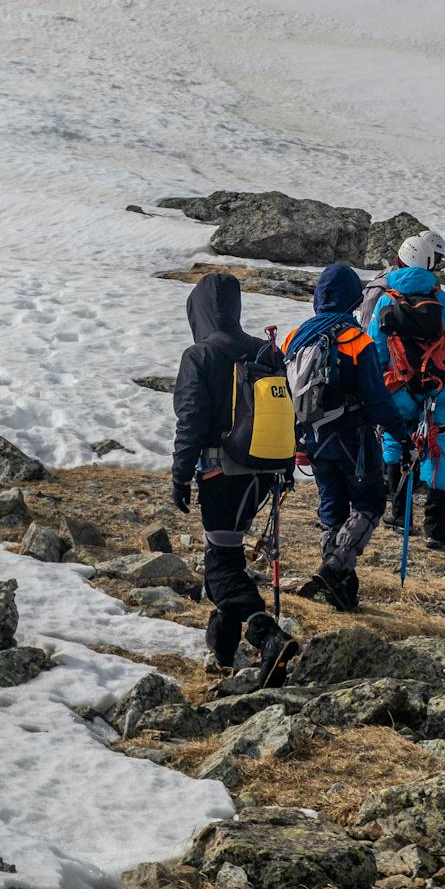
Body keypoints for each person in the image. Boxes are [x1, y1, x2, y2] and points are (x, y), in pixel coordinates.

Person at [170, 273, 299, 680]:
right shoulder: (264, 351)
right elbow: (286, 412)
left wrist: (180, 476)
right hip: (265, 472)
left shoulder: (200, 355)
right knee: (226, 556)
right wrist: (288, 468)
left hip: (222, 474)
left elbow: (190, 420)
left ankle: (266, 636)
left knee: (220, 569)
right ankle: (223, 654)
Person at [283, 264, 410, 611]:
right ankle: (335, 568)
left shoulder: (295, 337)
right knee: (370, 504)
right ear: (353, 297)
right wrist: (403, 436)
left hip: (313, 438)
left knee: (332, 508)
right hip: (353, 439)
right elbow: (377, 398)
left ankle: (342, 591)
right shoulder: (357, 339)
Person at [365, 231, 445, 549]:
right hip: (436, 390)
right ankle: (435, 528)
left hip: (397, 387)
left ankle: (400, 516)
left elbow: (376, 351)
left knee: (394, 443)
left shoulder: (387, 300)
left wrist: (376, 390)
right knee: (434, 447)